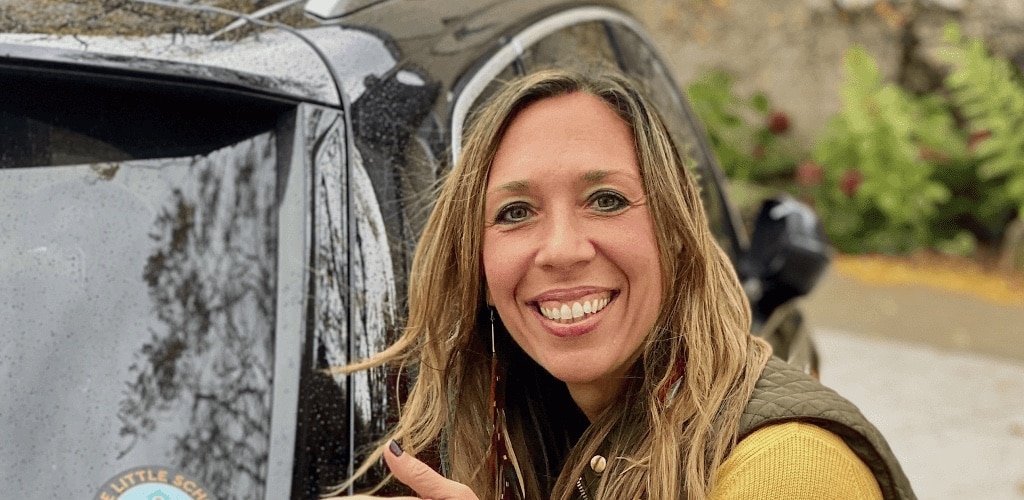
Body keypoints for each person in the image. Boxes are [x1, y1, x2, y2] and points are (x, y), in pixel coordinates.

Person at [329, 68, 915, 499]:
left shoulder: (789, 471)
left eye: (606, 200)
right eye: (514, 212)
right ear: (478, 270)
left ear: (675, 238)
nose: (560, 250)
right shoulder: (497, 429)